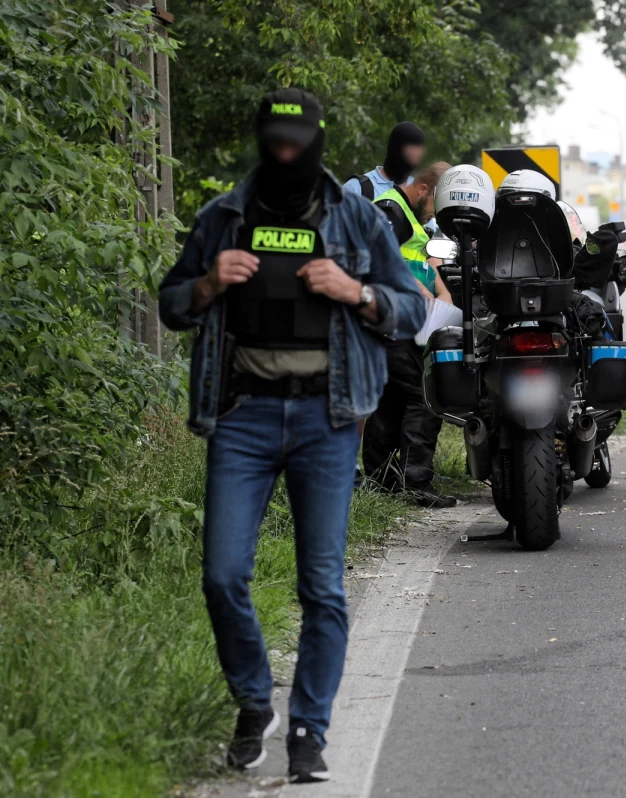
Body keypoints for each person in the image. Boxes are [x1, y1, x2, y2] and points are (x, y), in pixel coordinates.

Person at [157, 89, 425, 782]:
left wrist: (356, 292)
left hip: (325, 421)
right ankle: (255, 704)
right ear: (261, 139)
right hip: (242, 417)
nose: (284, 154)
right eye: (273, 141)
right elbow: (171, 302)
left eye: (295, 143)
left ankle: (309, 728)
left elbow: (409, 311)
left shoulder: (358, 219)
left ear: (315, 141)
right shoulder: (224, 217)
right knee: (222, 576)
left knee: (322, 589)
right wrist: (210, 283)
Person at [362, 162, 457, 508]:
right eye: (435, 203)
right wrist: (425, 294)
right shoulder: (391, 209)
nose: (434, 213)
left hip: (397, 322)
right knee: (423, 397)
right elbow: (383, 259)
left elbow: (421, 261)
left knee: (390, 400)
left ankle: (380, 480)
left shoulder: (409, 218)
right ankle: (416, 482)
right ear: (423, 190)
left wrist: (441, 290)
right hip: (394, 320)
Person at [343, 121, 426, 200]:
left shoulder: (419, 190)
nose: (418, 154)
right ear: (395, 149)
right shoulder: (356, 188)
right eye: (412, 149)